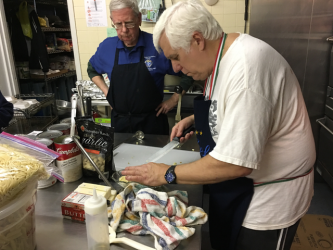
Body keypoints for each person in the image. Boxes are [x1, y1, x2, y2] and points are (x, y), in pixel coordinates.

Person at [121, 0, 316, 249]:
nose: (175, 67)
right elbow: (232, 106)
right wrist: (196, 120)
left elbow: (235, 163)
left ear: (197, 40)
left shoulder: (247, 68)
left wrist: (166, 172)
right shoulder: (221, 58)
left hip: (269, 197)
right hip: (243, 188)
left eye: (176, 57)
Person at [88, 0, 193, 135]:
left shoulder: (158, 46)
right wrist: (107, 92)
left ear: (139, 19)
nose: (124, 30)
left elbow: (190, 71)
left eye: (129, 23)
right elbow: (91, 69)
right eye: (118, 24)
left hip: (152, 125)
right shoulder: (106, 47)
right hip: (120, 125)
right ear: (112, 20)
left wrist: (174, 100)